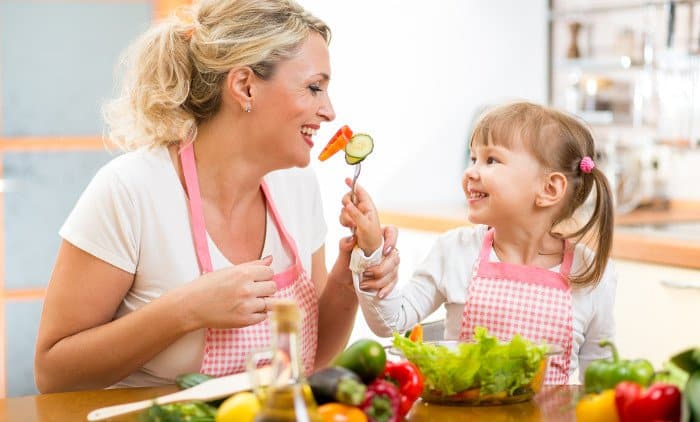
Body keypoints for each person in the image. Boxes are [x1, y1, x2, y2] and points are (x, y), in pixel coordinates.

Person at [34, 0, 400, 393]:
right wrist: (186, 309)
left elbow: (311, 358)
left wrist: (349, 275)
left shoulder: (297, 187)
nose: (328, 111)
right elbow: (53, 373)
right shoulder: (130, 191)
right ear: (245, 86)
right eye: (314, 88)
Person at [342, 102, 617, 384]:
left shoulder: (593, 273)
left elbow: (597, 375)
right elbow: (391, 322)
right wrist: (370, 250)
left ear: (549, 189)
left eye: (491, 160)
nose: (470, 172)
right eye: (473, 159)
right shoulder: (455, 251)